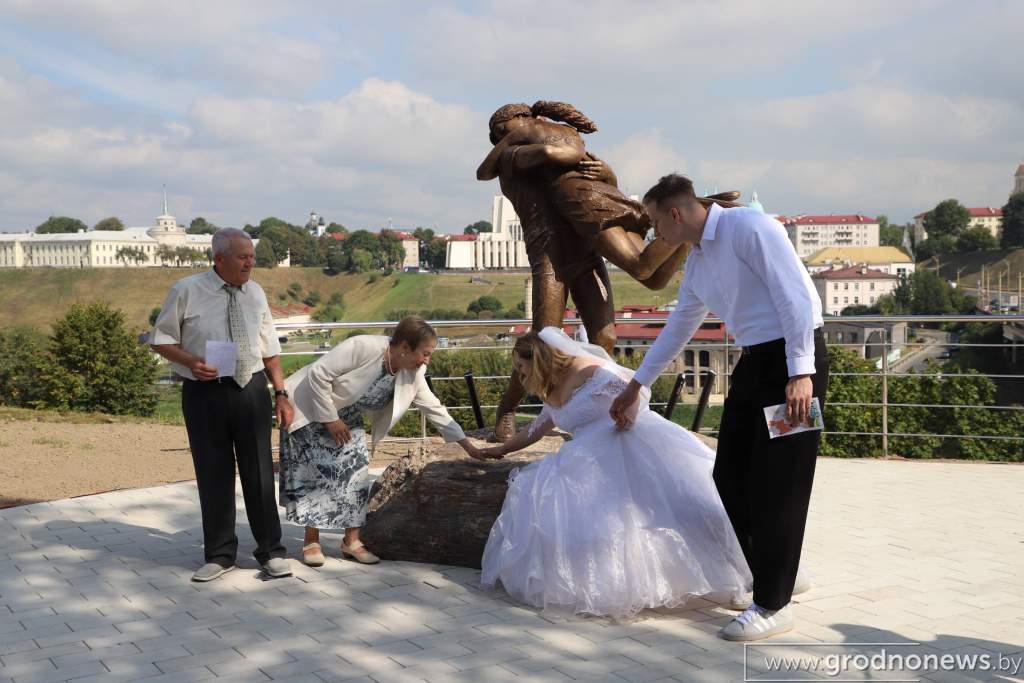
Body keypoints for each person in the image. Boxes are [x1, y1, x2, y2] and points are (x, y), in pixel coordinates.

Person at [610, 174, 829, 641]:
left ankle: (773, 603)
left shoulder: (750, 228)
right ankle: (778, 573)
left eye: (653, 222)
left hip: (795, 362)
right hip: (754, 364)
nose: (654, 235)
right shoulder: (698, 263)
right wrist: (637, 385)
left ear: (675, 213)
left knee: (782, 483)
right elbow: (678, 328)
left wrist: (801, 372)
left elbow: (793, 296)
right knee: (729, 475)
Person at [475, 328, 751, 621]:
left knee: (680, 507)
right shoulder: (552, 389)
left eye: (521, 365)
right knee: (562, 503)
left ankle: (739, 577)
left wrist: (628, 415)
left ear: (539, 357)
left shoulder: (589, 370)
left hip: (629, 442)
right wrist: (501, 450)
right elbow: (534, 430)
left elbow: (635, 389)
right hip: (587, 458)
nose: (519, 373)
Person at [281, 316, 497, 566]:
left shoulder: (413, 371)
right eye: (424, 354)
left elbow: (433, 406)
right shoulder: (362, 347)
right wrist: (329, 419)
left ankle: (351, 541)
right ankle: (311, 541)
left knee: (356, 469)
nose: (427, 360)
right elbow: (318, 374)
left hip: (344, 409)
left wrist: (466, 444)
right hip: (310, 403)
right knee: (316, 471)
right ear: (404, 347)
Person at [151, 228, 294, 582]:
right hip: (204, 391)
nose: (250, 262)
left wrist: (280, 392)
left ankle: (271, 551)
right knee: (213, 472)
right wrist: (190, 361)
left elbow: (270, 347)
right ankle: (219, 554)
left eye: (252, 256)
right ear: (219, 258)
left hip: (251, 388)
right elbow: (160, 339)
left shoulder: (256, 292)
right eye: (243, 256)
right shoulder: (186, 290)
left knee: (260, 471)